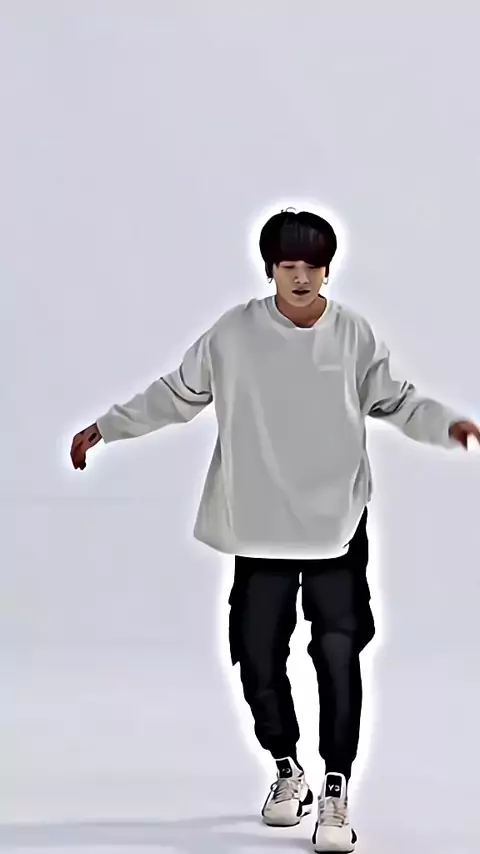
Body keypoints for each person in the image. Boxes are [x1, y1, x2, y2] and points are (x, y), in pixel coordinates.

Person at [70, 209, 479, 854]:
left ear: (327, 269)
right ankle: (288, 770)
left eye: (312, 265)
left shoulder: (352, 334)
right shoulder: (233, 335)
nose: (300, 276)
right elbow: (176, 394)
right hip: (258, 524)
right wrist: (107, 427)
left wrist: (447, 424)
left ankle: (337, 790)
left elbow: (397, 400)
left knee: (338, 653)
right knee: (258, 655)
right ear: (270, 269)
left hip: (336, 524)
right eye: (288, 265)